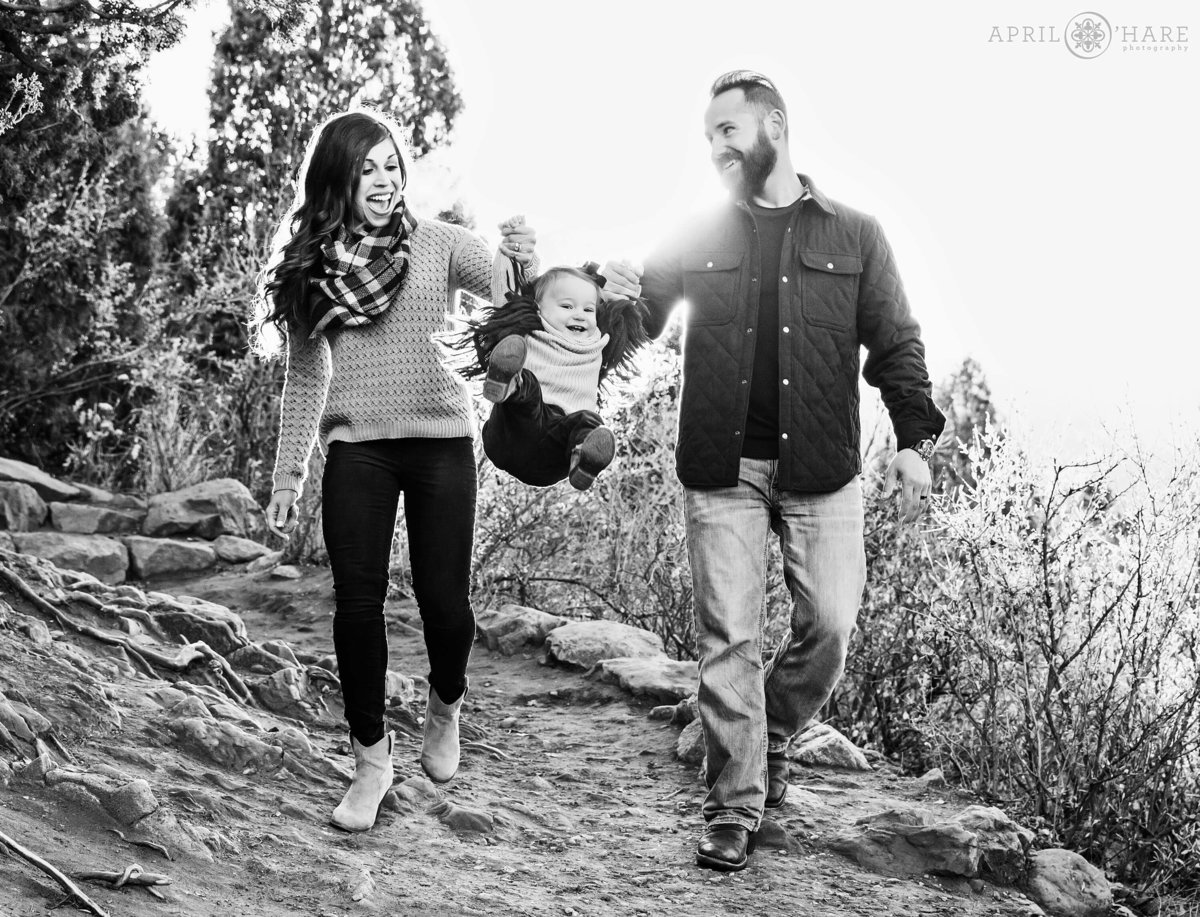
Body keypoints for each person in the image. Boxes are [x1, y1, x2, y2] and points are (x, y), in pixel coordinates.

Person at [602, 70, 946, 872]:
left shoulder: (855, 235)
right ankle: (732, 804)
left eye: (729, 131)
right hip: (721, 466)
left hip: (822, 469)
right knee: (730, 635)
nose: (717, 147)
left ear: (775, 128)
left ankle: (772, 734)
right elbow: (636, 322)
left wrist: (912, 441)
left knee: (829, 623)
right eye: (709, 137)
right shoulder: (696, 233)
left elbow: (897, 343)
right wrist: (607, 293)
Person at [254, 109, 537, 832]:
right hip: (359, 450)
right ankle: (370, 761)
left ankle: (446, 704)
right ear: (337, 183)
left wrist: (523, 258)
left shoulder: (439, 244)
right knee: (356, 604)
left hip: (442, 441)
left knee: (445, 602)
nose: (384, 181)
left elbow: (513, 298)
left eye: (391, 166)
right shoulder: (315, 274)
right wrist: (288, 476)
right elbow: (304, 376)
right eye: (367, 170)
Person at [453, 256, 650, 490]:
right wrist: (509, 255)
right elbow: (505, 293)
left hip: (554, 454)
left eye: (588, 309)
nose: (579, 314)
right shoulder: (531, 329)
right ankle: (504, 381)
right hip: (512, 435)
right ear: (538, 308)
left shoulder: (599, 343)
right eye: (567, 306)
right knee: (529, 386)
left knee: (591, 421)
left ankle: (583, 461)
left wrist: (625, 291)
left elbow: (618, 313)